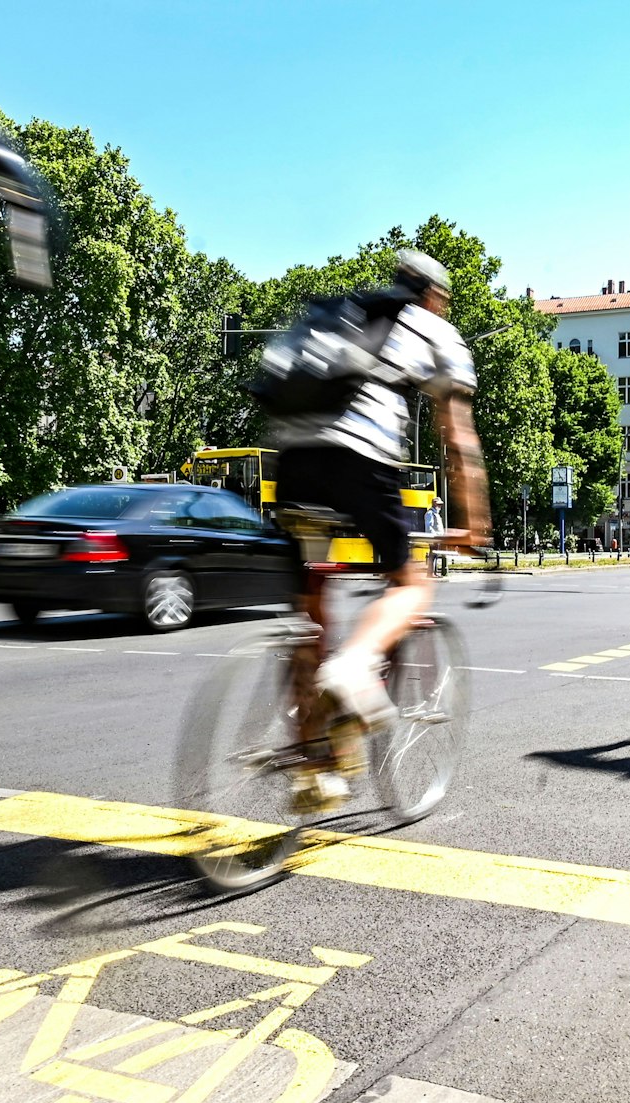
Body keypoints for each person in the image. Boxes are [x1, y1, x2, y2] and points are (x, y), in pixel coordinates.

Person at [271, 249, 490, 809]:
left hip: (292, 457)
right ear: (435, 295)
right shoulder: (431, 326)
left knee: (312, 609)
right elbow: (458, 436)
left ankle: (314, 766)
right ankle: (359, 665)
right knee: (413, 584)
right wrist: (472, 522)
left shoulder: (346, 312)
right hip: (358, 456)